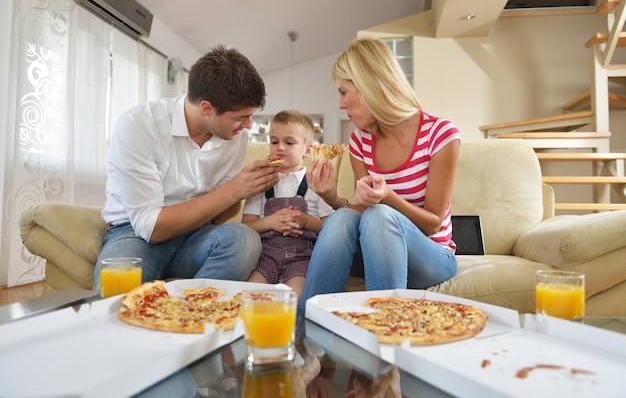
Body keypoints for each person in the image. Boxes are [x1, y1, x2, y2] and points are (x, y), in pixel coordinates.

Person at [94, 45, 280, 290]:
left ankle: (191, 314)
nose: (248, 125)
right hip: (134, 234)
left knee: (244, 239)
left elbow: (217, 217)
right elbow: (151, 228)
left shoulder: (235, 138)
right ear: (206, 108)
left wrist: (246, 190)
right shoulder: (139, 126)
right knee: (114, 292)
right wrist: (233, 190)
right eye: (240, 117)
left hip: (198, 235)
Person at [301, 37, 461, 304]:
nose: (341, 105)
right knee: (342, 219)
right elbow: (364, 211)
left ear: (370, 86)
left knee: (381, 216)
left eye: (343, 92)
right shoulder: (360, 141)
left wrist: (387, 198)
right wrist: (330, 196)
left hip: (431, 256)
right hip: (376, 251)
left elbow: (433, 222)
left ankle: (384, 327)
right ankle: (305, 328)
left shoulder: (440, 134)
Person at [242, 110, 334, 299]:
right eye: (274, 142)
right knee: (249, 295)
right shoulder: (262, 181)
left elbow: (330, 228)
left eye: (289, 143)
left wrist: (307, 222)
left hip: (302, 258)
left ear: (307, 150)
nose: (280, 148)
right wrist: (270, 222)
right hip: (266, 256)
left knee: (296, 295)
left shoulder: (315, 182)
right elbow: (246, 226)